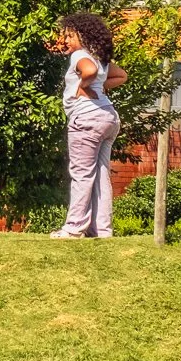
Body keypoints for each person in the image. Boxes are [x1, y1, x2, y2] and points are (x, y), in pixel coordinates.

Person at [49, 12, 123, 239]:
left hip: (86, 120)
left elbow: (88, 71)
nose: (66, 41)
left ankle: (74, 228)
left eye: (70, 36)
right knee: (100, 175)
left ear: (82, 35)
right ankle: (102, 230)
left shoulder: (80, 55)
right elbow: (121, 75)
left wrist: (83, 85)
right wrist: (100, 88)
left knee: (81, 174)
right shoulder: (98, 57)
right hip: (108, 118)